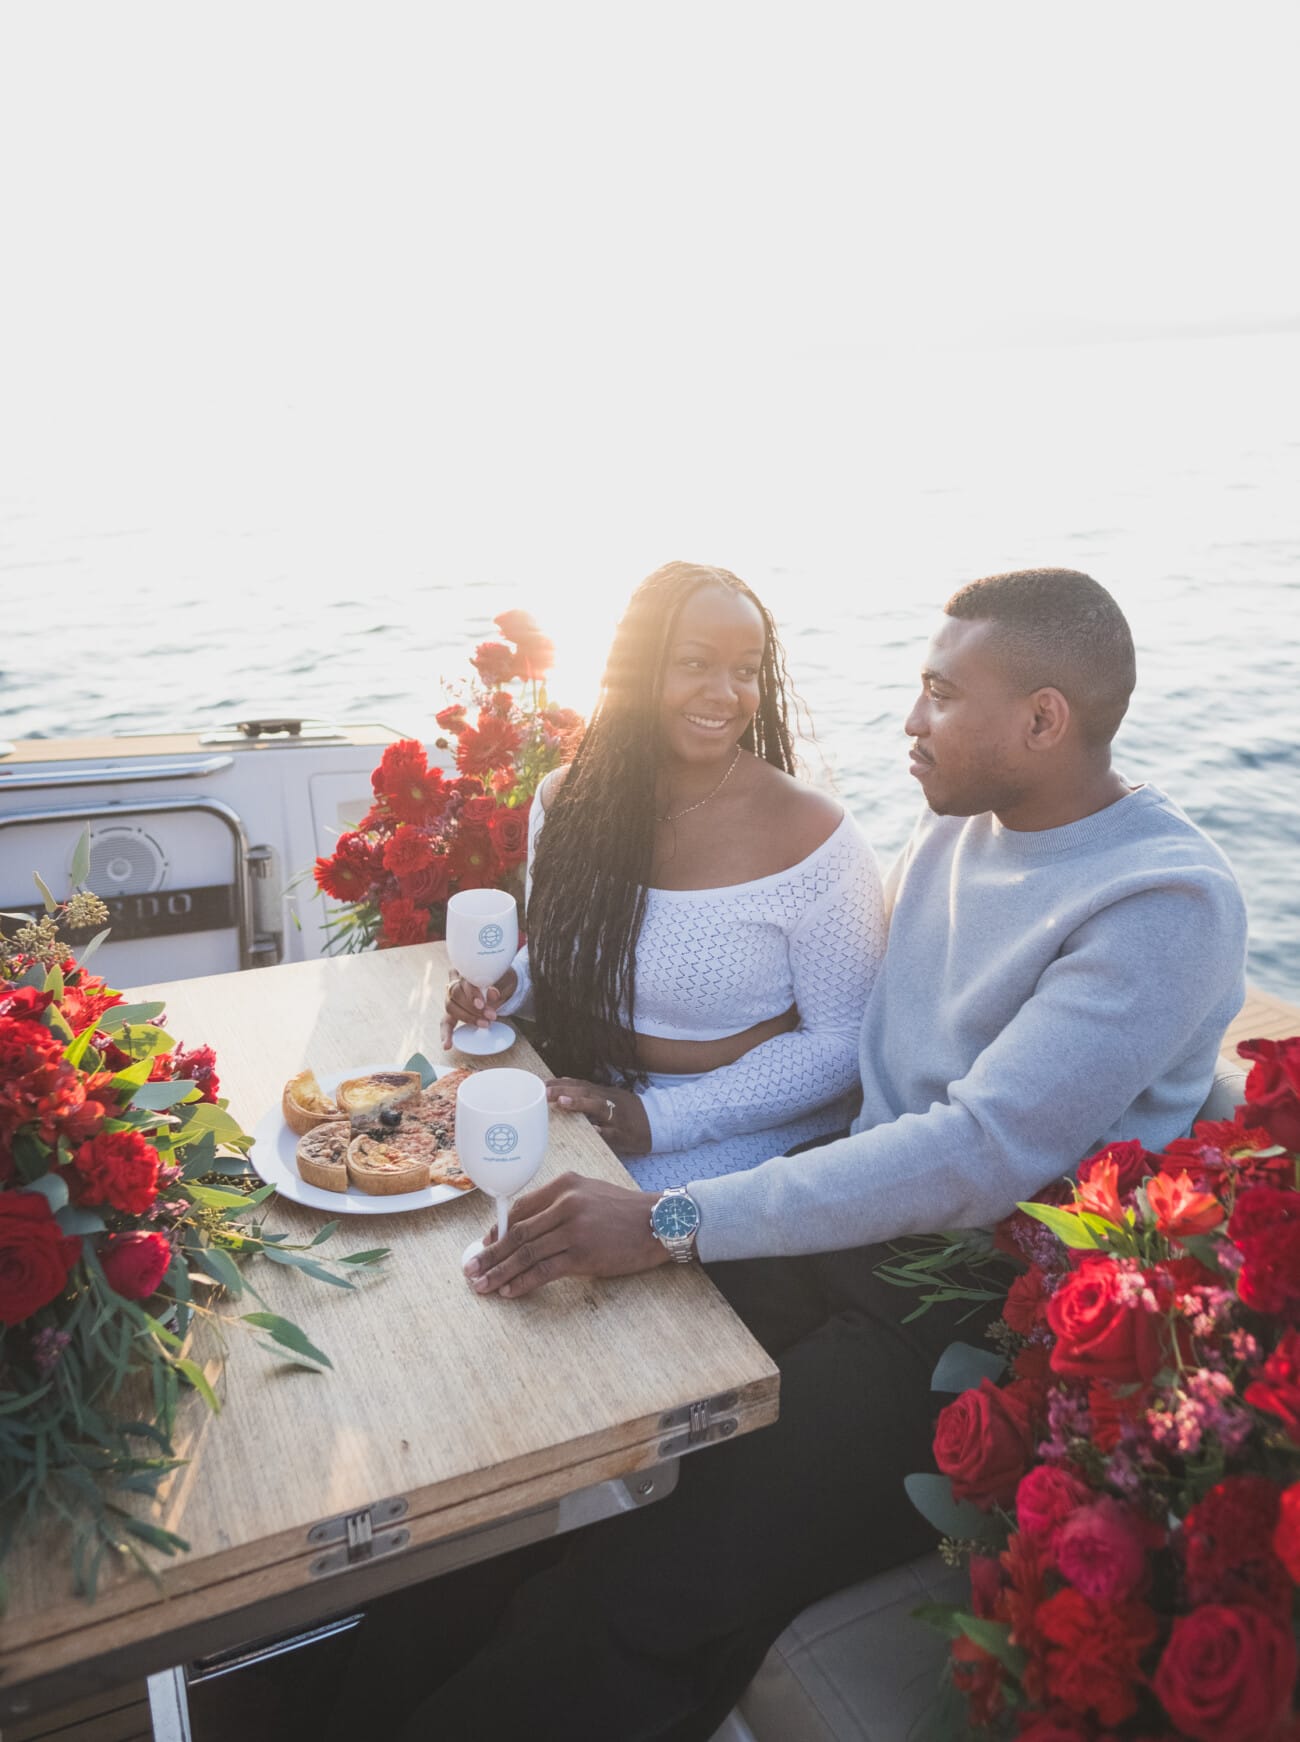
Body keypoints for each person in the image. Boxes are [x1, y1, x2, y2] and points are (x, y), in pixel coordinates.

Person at [354, 568, 1249, 1742]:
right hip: (858, 1229)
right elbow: (866, 1073)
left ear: (1043, 719)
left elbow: (975, 1155)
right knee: (545, 1431)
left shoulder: (1162, 901)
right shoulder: (960, 831)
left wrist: (671, 1220)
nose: (909, 722)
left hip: (974, 1308)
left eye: (938, 694)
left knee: (652, 1581)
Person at [441, 559, 886, 1188]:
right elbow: (561, 958)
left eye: (744, 670)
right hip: (586, 1101)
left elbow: (841, 1042)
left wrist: (660, 1118)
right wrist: (503, 990)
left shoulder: (813, 837)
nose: (726, 694)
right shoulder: (564, 802)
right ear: (638, 668)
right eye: (696, 664)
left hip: (747, 1140)